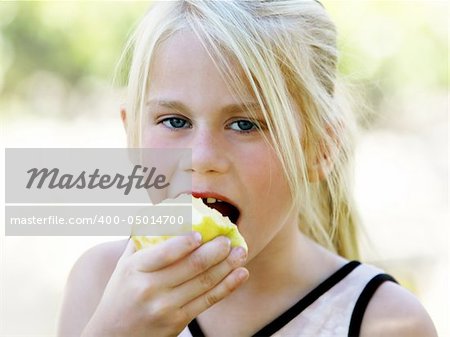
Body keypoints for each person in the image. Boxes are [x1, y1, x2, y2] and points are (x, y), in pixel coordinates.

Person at [57, 1, 437, 336]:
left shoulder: (386, 322)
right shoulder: (100, 284)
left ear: (321, 147)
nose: (202, 157)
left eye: (245, 124)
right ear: (133, 136)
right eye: (175, 121)